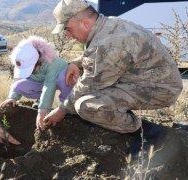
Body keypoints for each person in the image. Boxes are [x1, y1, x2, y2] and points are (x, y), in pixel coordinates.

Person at [44, 0, 183, 136]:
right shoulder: (108, 25)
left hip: (159, 89)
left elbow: (89, 84)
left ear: (85, 23)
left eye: (68, 29)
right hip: (149, 80)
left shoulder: (108, 44)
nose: (67, 35)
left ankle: (144, 133)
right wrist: (76, 63)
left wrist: (61, 110)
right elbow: (97, 55)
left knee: (87, 105)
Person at [0, 36, 72, 130]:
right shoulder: (22, 58)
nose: (31, 71)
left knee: (64, 78)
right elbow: (18, 79)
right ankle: (40, 100)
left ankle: (66, 108)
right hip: (40, 81)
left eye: (32, 68)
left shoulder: (52, 62)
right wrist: (13, 97)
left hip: (59, 80)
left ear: (39, 60)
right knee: (18, 86)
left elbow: (49, 86)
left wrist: (42, 112)